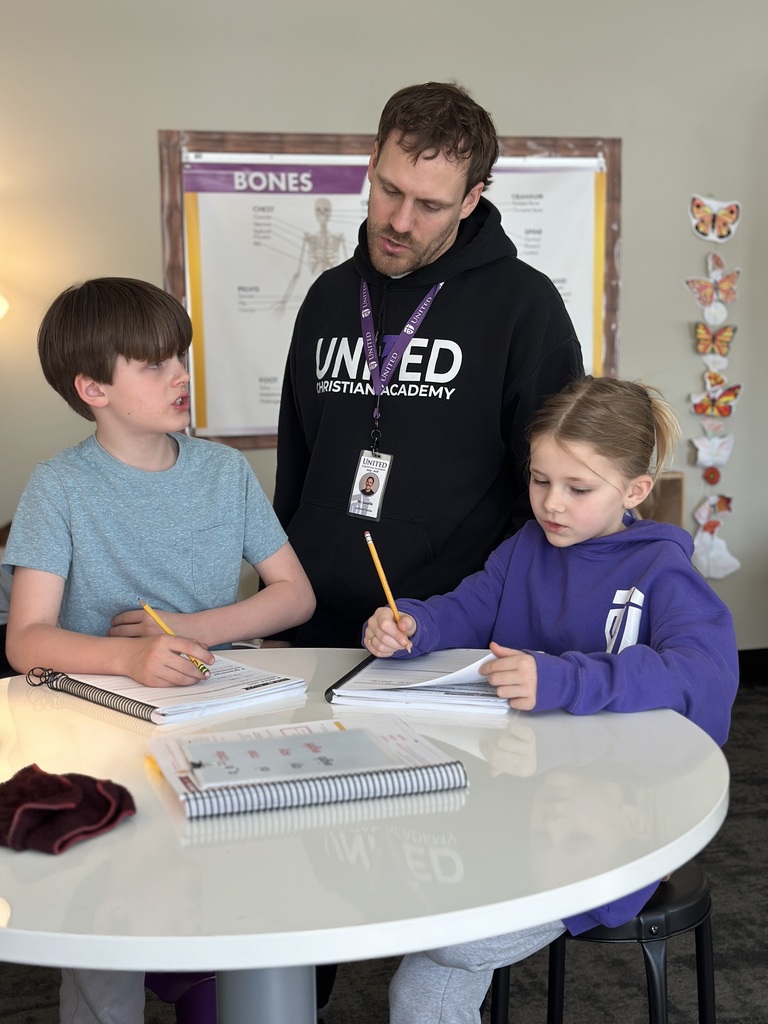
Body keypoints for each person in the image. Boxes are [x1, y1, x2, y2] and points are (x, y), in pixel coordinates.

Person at [363, 375, 739, 1024]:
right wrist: (414, 624)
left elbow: (704, 679)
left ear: (635, 491)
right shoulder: (526, 547)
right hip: (513, 800)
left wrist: (563, 679)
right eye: (540, 481)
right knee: (406, 888)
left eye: (578, 488)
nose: (551, 504)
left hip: (603, 836)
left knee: (440, 946)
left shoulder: (663, 572)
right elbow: (469, 606)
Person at [4, 277, 316, 1024]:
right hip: (97, 741)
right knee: (105, 947)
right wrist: (132, 660)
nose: (181, 375)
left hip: (214, 727)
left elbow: (294, 596)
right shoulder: (59, 488)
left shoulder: (223, 471)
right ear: (93, 388)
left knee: (224, 913)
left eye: (180, 355)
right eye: (154, 364)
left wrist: (192, 630)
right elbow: (26, 641)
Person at [274, 80, 584, 648]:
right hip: (316, 622)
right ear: (371, 164)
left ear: (470, 200)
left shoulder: (524, 306)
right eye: (390, 190)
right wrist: (282, 604)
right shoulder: (327, 297)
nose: (400, 221)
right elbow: (297, 462)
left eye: (431, 205)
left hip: (446, 629)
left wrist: (489, 613)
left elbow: (546, 489)